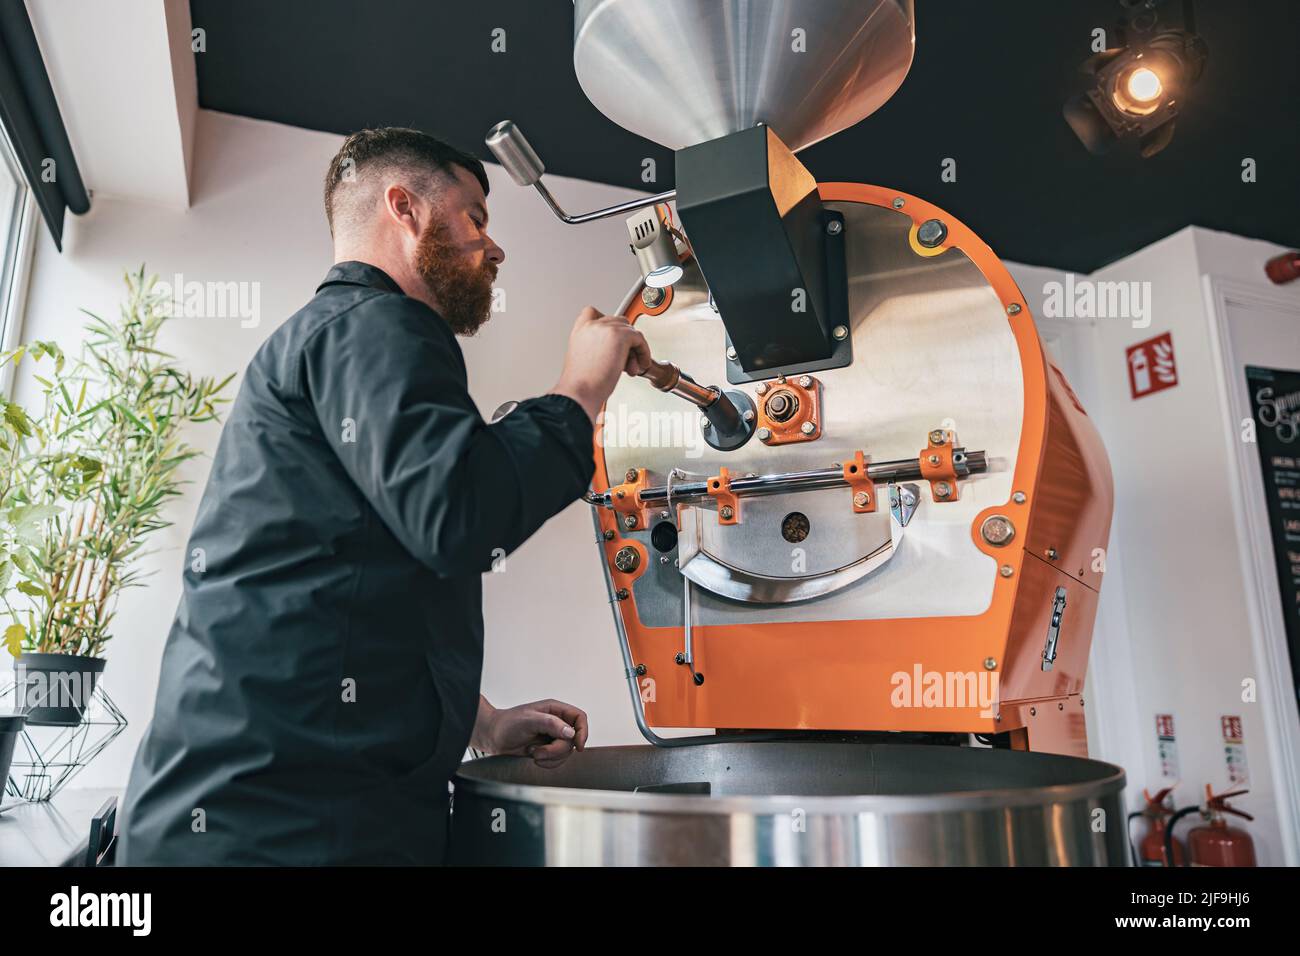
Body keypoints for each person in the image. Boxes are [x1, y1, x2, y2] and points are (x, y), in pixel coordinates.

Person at [120, 127, 652, 864]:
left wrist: (482, 721)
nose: (494, 249)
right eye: (476, 217)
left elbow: (360, 581)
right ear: (404, 208)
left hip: (269, 814)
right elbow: (455, 515)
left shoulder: (338, 338)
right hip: (275, 832)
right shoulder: (377, 322)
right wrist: (579, 392)